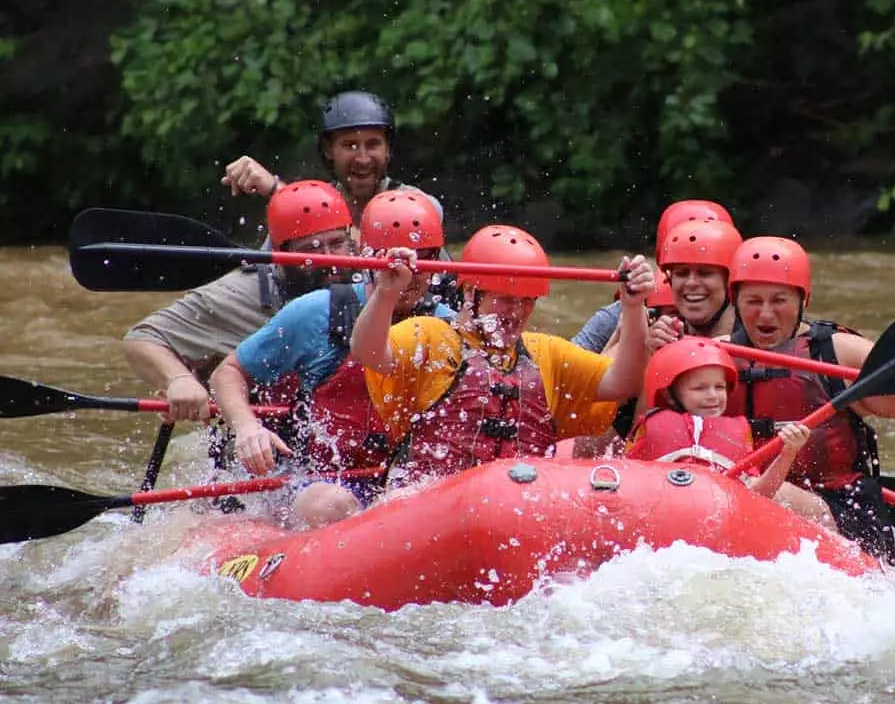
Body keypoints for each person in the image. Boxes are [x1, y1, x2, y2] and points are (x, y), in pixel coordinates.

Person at [208, 190, 454, 528]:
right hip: (321, 482)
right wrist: (247, 428)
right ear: (368, 256)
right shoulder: (316, 312)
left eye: (423, 257)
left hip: (402, 479)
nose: (410, 273)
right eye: (392, 259)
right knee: (331, 505)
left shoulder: (449, 325)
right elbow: (229, 372)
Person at [350, 224, 657, 483]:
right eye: (506, 299)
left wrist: (632, 308)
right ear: (470, 293)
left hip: (518, 504)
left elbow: (623, 382)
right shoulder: (430, 336)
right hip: (431, 503)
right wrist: (386, 293)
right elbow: (368, 352)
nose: (518, 312)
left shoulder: (544, 352)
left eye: (528, 301)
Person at [723, 236, 895, 563]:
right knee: (748, 488)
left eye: (779, 300)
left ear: (804, 299)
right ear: (734, 300)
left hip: (843, 508)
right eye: (753, 301)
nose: (765, 313)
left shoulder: (836, 351)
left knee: (762, 492)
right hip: (753, 495)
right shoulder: (714, 355)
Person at [121, 181, 356, 424]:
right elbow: (142, 339)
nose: (331, 260)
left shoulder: (371, 281)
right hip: (263, 438)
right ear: (282, 253)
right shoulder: (239, 295)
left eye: (338, 244)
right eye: (312, 248)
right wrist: (178, 380)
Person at [624, 337, 830, 525]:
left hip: (723, 516)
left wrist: (788, 453)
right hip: (661, 512)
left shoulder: (739, 430)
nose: (713, 396)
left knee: (817, 509)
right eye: (700, 388)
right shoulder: (649, 425)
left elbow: (758, 495)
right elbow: (626, 484)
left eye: (719, 387)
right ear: (670, 396)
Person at [220, 90, 442, 226]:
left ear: (388, 150)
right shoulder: (302, 212)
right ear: (328, 150)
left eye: (373, 144)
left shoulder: (419, 205)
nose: (363, 158)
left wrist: (277, 192)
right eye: (350, 145)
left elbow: (352, 242)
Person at [571, 198, 732, 352]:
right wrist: (630, 332)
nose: (691, 282)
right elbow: (566, 369)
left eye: (705, 272)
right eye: (682, 271)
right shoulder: (629, 307)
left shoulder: (748, 314)